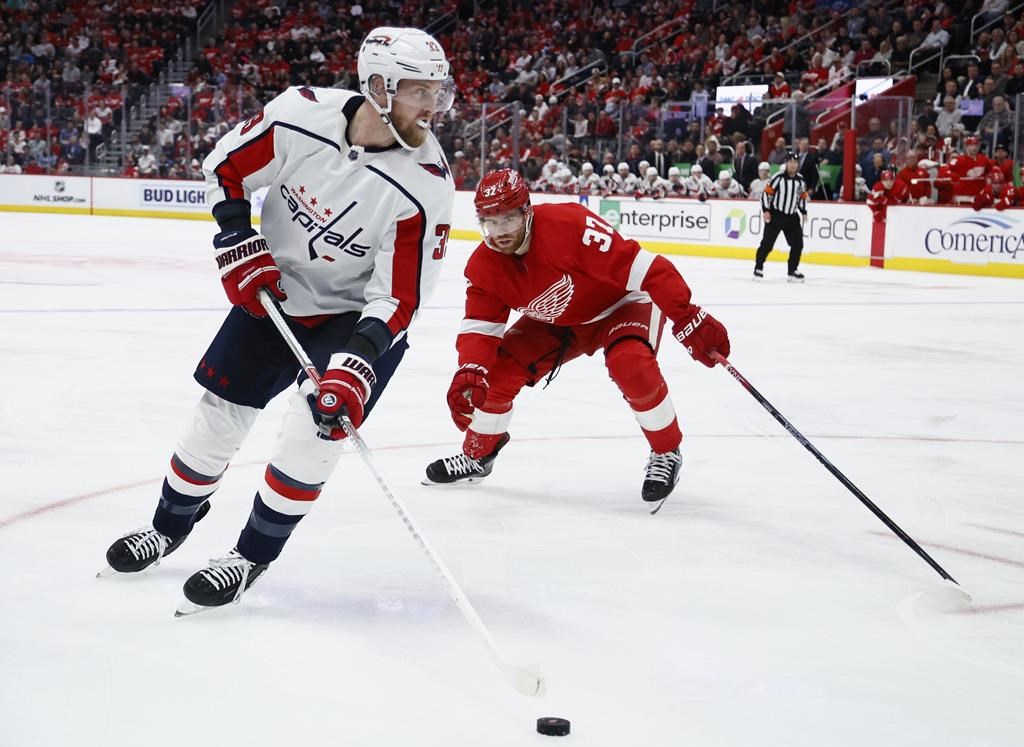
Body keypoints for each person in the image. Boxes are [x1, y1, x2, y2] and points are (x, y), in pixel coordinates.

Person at [100, 27, 457, 611]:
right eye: (420, 91)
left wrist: (355, 364)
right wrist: (238, 237)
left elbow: (399, 298)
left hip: (355, 320)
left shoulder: (427, 185)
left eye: (437, 91)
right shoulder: (300, 115)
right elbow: (226, 165)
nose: (433, 106)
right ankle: (167, 528)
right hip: (275, 294)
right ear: (376, 87)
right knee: (218, 414)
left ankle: (250, 557)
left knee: (313, 433)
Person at [421, 169, 731, 509]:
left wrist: (687, 315)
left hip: (621, 305)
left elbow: (648, 269)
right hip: (559, 321)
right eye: (489, 223)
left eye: (508, 219)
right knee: (493, 374)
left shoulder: (570, 227)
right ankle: (477, 455)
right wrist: (469, 369)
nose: (499, 233)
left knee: (630, 365)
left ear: (528, 210)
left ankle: (666, 450)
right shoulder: (484, 266)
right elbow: (480, 328)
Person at [754, 150, 808, 282]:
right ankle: (758, 267)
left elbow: (802, 197)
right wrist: (766, 210)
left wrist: (804, 211)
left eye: (795, 162)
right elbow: (766, 194)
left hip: (792, 216)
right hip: (776, 214)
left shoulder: (800, 180)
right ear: (786, 163)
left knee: (798, 244)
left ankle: (792, 270)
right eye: (790, 162)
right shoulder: (778, 178)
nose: (793, 165)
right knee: (767, 243)